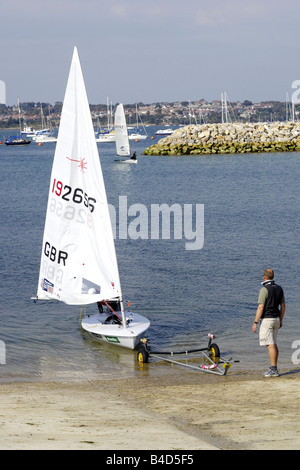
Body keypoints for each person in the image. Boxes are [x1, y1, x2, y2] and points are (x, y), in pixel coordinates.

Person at [252, 268, 285, 377]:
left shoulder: (264, 289)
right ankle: (273, 367)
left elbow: (261, 307)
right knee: (273, 343)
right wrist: (281, 319)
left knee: (270, 344)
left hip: (267, 320)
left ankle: (274, 369)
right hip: (276, 319)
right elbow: (283, 306)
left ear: (264, 277)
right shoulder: (280, 289)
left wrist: (255, 322)